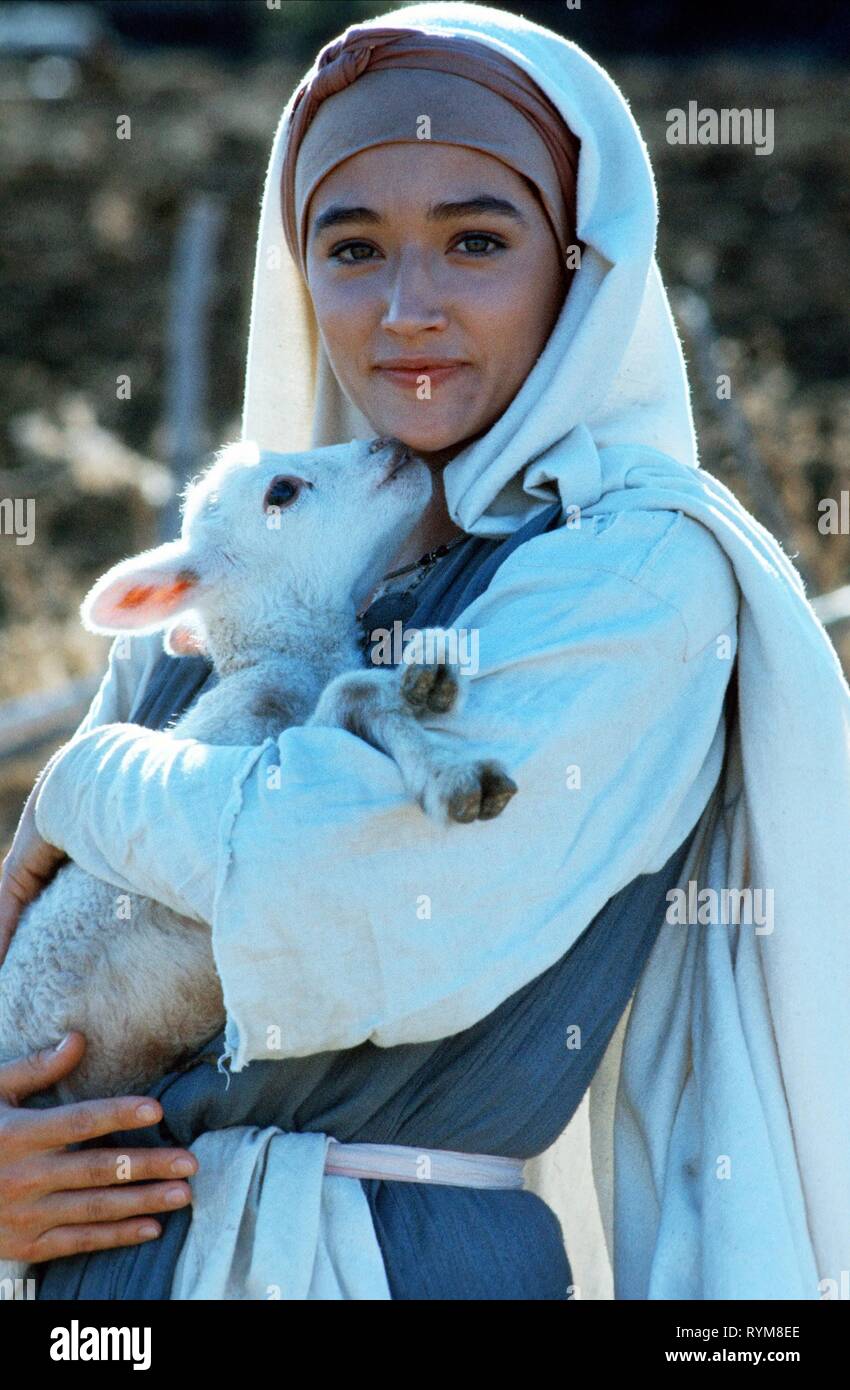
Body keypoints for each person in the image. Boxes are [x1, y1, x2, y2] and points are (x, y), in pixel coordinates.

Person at [0, 2, 847, 1301]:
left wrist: (86, 781)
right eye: (351, 247)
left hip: (399, 1264)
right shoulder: (254, 571)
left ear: (580, 268)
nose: (407, 308)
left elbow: (333, 878)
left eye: (474, 239)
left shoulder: (627, 571)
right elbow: (50, 960)